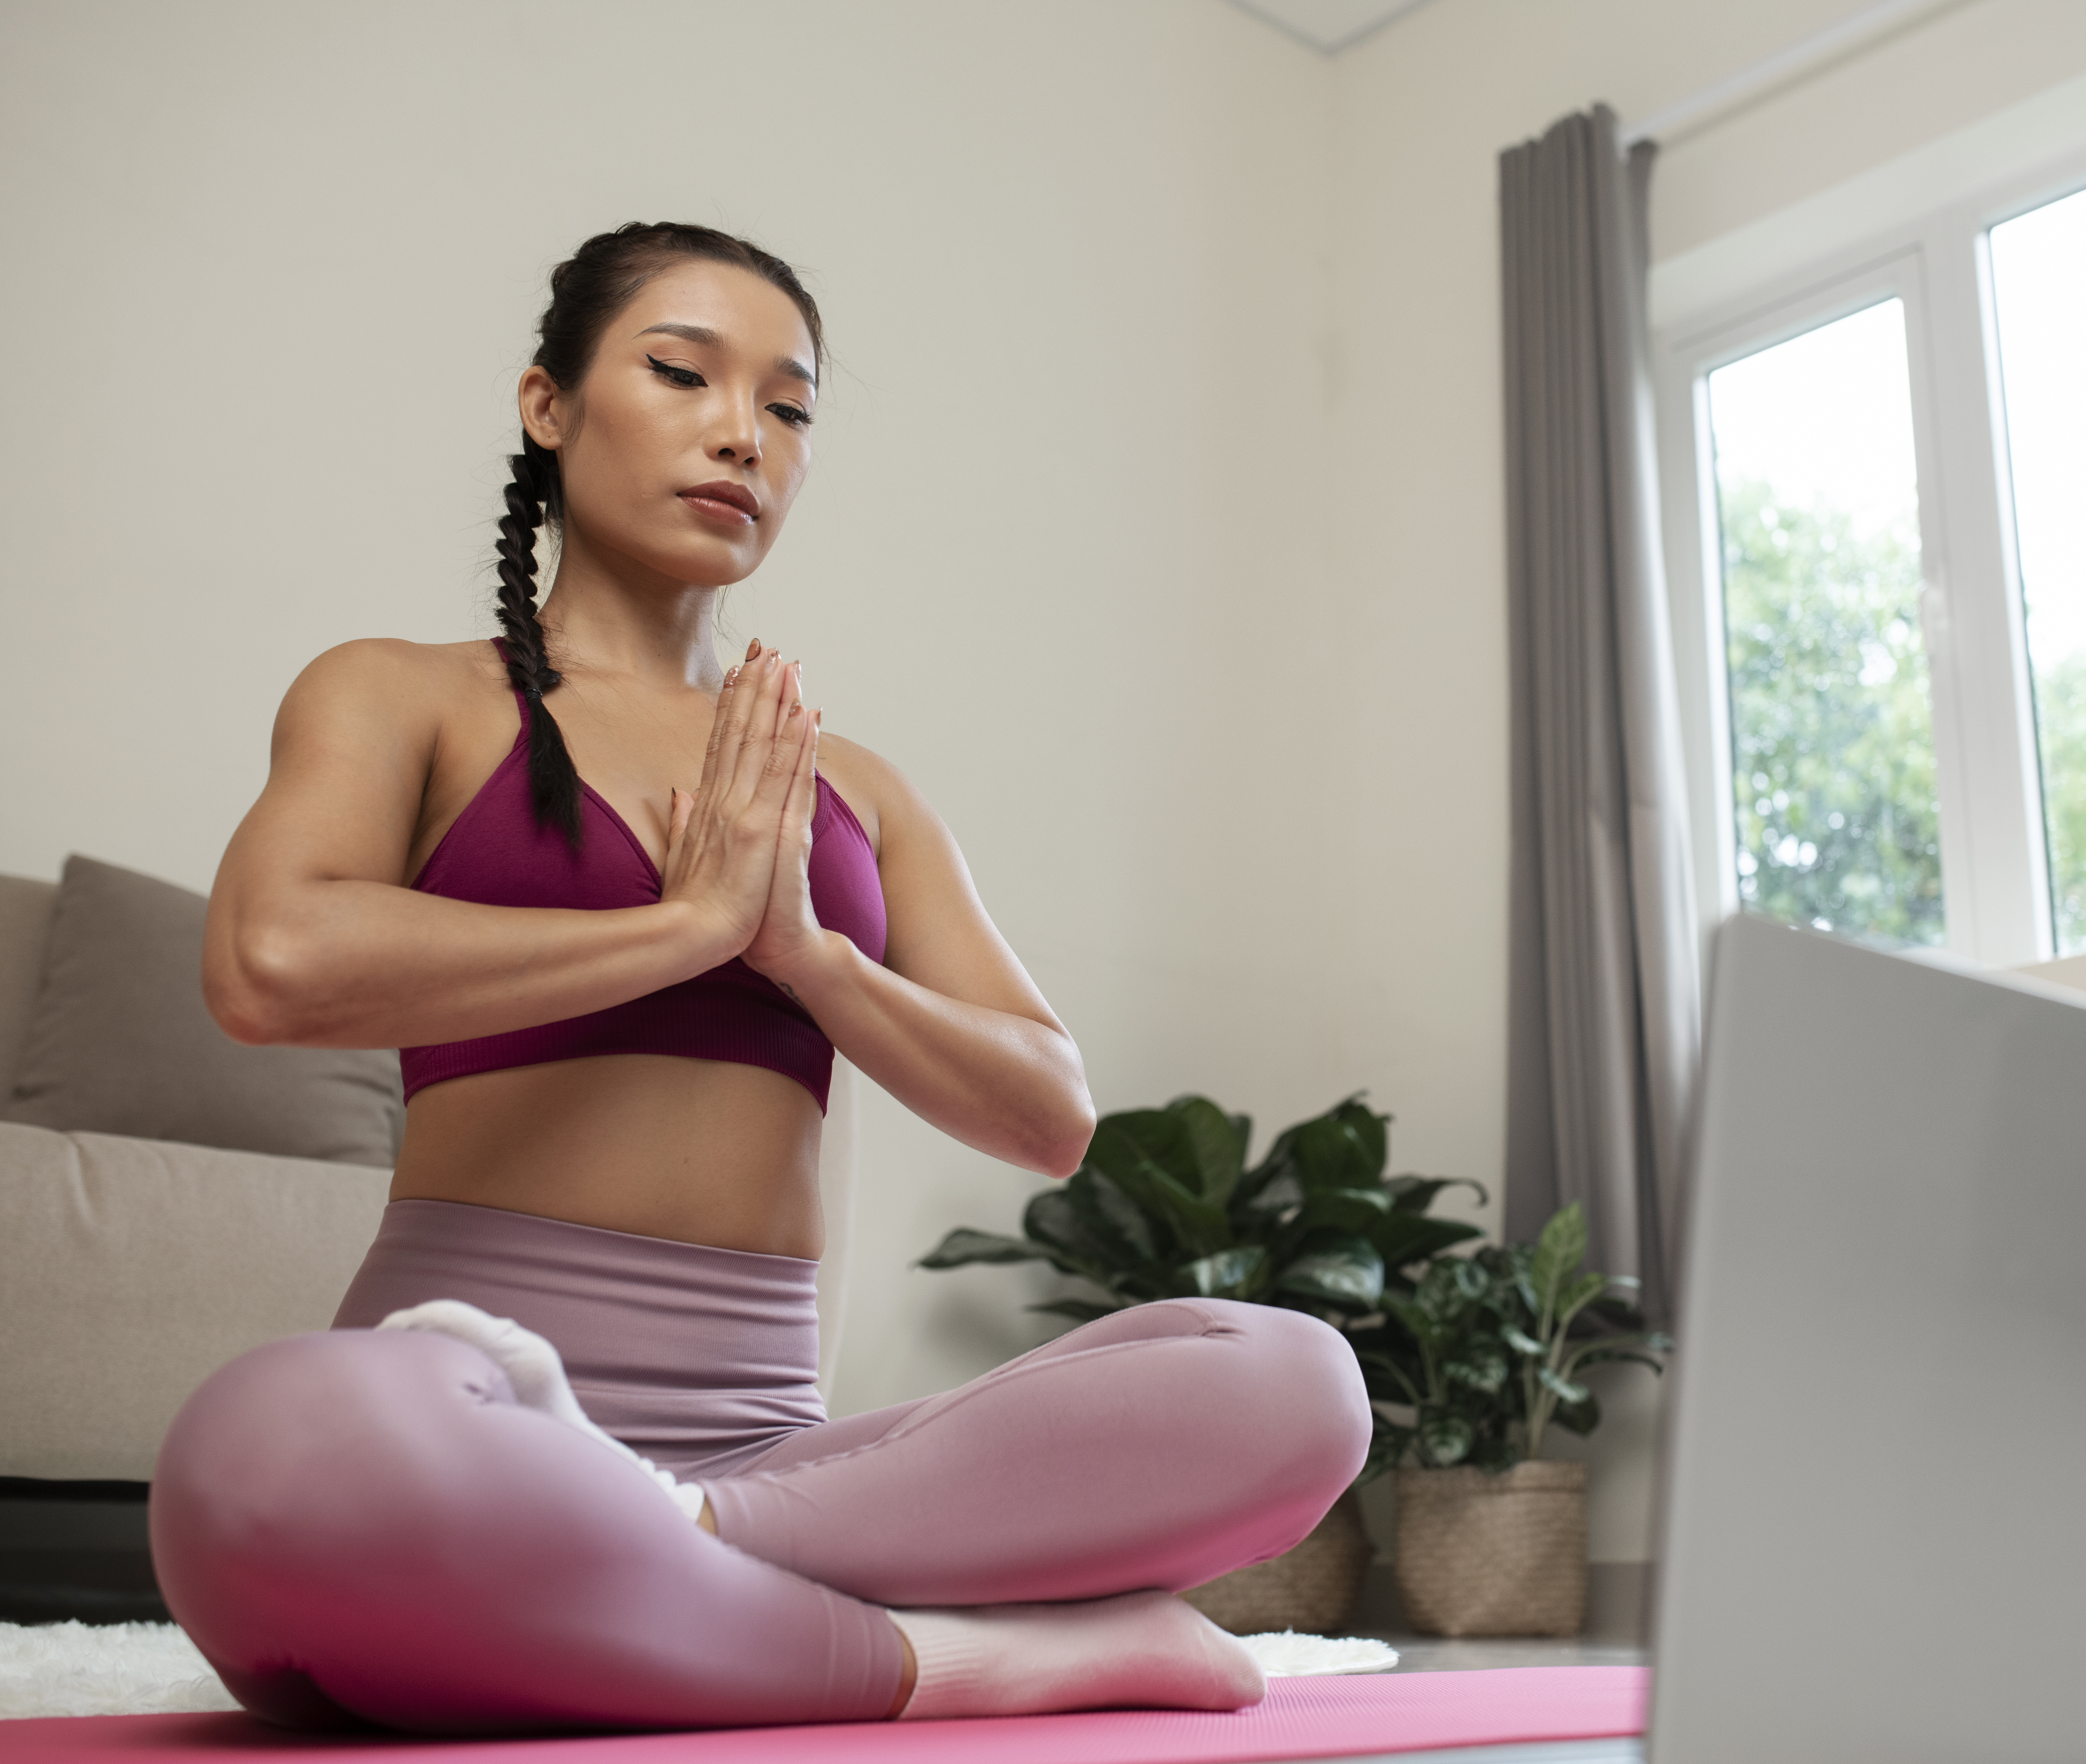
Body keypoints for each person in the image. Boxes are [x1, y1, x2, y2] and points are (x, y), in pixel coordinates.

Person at [151, 222, 1371, 1736]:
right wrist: (683, 927)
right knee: (268, 1453)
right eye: (681, 373)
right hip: (451, 1414)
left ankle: (679, 1548)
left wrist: (806, 952)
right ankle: (960, 1657)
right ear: (549, 402)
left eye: (789, 408)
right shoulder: (402, 693)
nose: (743, 430)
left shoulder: (848, 781)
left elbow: (1049, 1112)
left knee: (1296, 1382)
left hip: (789, 1472)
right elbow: (270, 962)